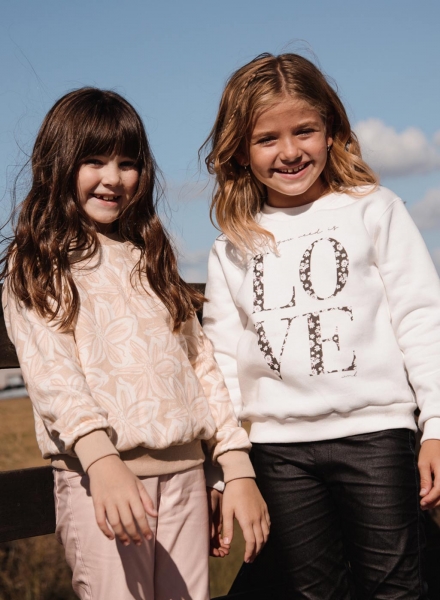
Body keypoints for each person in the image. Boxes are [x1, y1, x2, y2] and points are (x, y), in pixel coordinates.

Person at [1, 88, 270, 600]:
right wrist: (101, 462)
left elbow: (199, 362)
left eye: (128, 163)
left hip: (187, 476)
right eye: (94, 161)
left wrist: (231, 466)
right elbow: (53, 374)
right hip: (101, 480)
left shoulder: (150, 255)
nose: (114, 177)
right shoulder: (37, 260)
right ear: (58, 164)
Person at [201, 52, 440, 599]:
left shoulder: (374, 210)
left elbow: (422, 318)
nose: (289, 152)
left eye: (304, 131)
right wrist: (224, 469)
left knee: (396, 587)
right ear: (240, 149)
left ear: (331, 131)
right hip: (280, 451)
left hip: (377, 436)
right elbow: (221, 364)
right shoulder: (232, 244)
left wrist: (436, 426)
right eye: (267, 139)